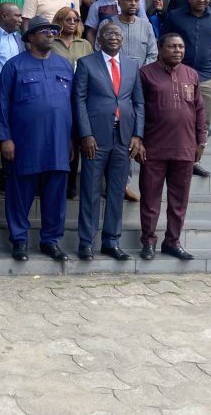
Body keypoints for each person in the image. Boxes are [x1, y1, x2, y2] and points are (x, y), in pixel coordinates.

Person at [0, 16, 74, 262]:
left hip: (58, 141)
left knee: (55, 196)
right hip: (24, 142)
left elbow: (72, 104)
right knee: (20, 194)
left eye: (52, 31)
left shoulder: (64, 65)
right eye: (44, 31)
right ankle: (19, 240)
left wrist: (71, 139)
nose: (50, 34)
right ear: (30, 37)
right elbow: (1, 105)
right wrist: (5, 138)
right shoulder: (14, 66)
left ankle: (50, 241)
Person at [73, 22, 144, 261]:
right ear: (99, 40)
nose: (113, 37)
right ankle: (86, 242)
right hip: (95, 138)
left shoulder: (132, 66)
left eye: (117, 34)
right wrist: (85, 134)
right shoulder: (86, 64)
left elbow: (138, 103)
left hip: (123, 138)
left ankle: (111, 241)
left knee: (116, 191)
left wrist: (137, 135)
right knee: (90, 190)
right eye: (108, 33)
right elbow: (79, 100)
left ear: (122, 40)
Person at [138, 33, 206, 261]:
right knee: (150, 198)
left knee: (179, 201)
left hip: (185, 147)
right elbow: (138, 109)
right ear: (159, 48)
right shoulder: (146, 74)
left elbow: (199, 109)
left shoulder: (191, 74)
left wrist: (201, 140)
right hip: (154, 147)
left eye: (181, 47)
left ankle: (172, 242)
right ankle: (148, 242)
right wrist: (138, 139)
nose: (178, 51)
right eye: (173, 46)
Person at [164, 0, 211, 177]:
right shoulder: (175, 16)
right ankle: (174, 158)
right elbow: (164, 44)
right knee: (176, 119)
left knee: (203, 123)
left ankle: (193, 161)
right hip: (178, 76)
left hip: (206, 78)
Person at [51, 6, 94, 200]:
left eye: (75, 20)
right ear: (59, 21)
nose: (72, 23)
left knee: (75, 139)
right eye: (67, 19)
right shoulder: (52, 42)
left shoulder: (84, 44)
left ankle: (71, 185)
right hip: (56, 95)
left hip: (79, 95)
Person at [98, 0, 157, 68]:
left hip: (141, 73)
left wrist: (142, 72)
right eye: (129, 0)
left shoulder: (146, 26)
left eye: (136, 0)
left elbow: (153, 54)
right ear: (119, 2)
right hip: (112, 71)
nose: (133, 3)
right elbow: (99, 49)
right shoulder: (107, 24)